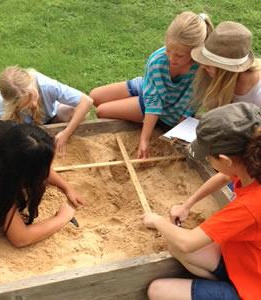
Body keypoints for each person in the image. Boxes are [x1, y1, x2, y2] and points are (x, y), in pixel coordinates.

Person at [141, 102, 261, 300]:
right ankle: (224, 286)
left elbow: (188, 242)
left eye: (209, 158)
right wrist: (187, 204)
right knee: (175, 245)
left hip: (254, 289)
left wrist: (156, 221)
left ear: (226, 160)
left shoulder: (250, 205)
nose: (208, 161)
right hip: (244, 260)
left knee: (157, 290)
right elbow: (224, 177)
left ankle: (231, 293)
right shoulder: (251, 166)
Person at [0, 120, 84, 273]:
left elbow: (38, 162)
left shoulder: (16, 136)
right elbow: (20, 238)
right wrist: (63, 217)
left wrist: (67, 187)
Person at [89, 11, 213, 159]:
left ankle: (142, 118)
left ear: (195, 52)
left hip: (169, 108)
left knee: (101, 111)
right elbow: (154, 99)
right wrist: (144, 139)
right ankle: (139, 111)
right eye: (168, 50)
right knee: (94, 97)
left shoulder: (201, 69)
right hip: (150, 90)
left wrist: (177, 128)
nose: (172, 58)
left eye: (179, 55)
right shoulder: (157, 60)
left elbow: (190, 102)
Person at [0, 66, 94, 156]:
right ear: (13, 104)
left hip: (51, 118)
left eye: (35, 96)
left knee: (76, 112)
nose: (33, 103)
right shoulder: (0, 103)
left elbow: (86, 101)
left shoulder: (45, 85)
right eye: (26, 103)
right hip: (24, 132)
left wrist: (66, 133)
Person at [191, 21, 261, 110]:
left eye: (209, 64)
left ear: (225, 70)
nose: (203, 67)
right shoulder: (225, 79)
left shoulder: (258, 93)